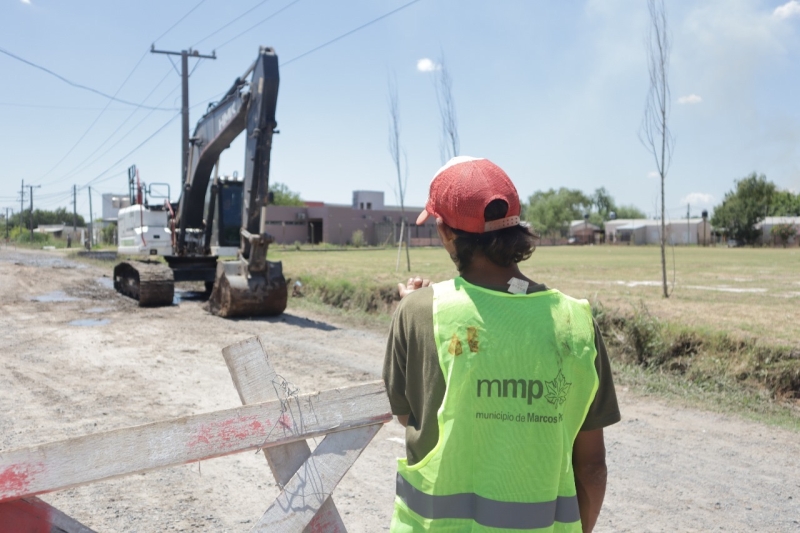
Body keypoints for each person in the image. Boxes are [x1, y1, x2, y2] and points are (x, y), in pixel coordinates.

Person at [383, 156, 620, 532]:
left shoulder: (417, 312)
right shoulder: (575, 322)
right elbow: (591, 467)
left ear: (446, 233)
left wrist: (410, 307)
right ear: (516, 230)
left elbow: (408, 415)